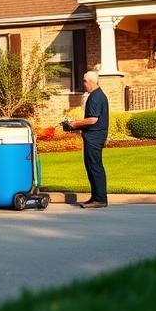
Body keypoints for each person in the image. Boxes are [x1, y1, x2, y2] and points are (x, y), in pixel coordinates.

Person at [63, 70, 109, 209]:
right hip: (95, 135)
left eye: (84, 81)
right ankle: (95, 197)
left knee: (95, 167)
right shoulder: (98, 95)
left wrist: (74, 124)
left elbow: (93, 119)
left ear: (91, 82)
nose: (83, 84)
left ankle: (100, 199)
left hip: (94, 137)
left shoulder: (95, 97)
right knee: (92, 166)